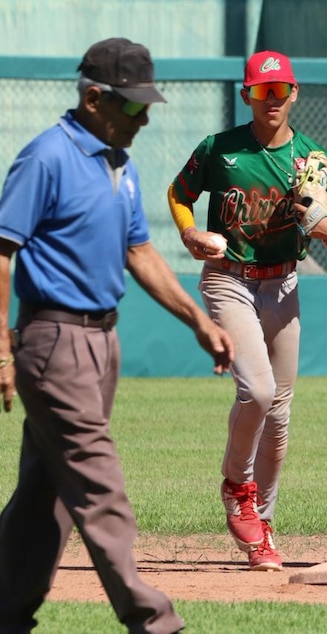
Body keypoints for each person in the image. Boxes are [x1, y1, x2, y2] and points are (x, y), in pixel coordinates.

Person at [0, 37, 234, 634]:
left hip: (102, 343)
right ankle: (155, 623)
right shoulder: (46, 158)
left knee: (46, 490)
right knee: (99, 483)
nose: (146, 115)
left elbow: (140, 251)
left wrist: (199, 320)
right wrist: (0, 345)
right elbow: (1, 253)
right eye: (133, 105)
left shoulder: (117, 162)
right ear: (95, 97)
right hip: (53, 339)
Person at [166, 50, 327, 571]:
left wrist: (325, 226)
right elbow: (179, 193)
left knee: (281, 413)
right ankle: (236, 485)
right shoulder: (221, 149)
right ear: (247, 95)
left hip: (283, 283)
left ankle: (262, 527)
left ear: (295, 94)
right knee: (259, 391)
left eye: (280, 90)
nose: (270, 100)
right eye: (259, 91)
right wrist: (189, 232)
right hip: (229, 279)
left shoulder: (314, 160)